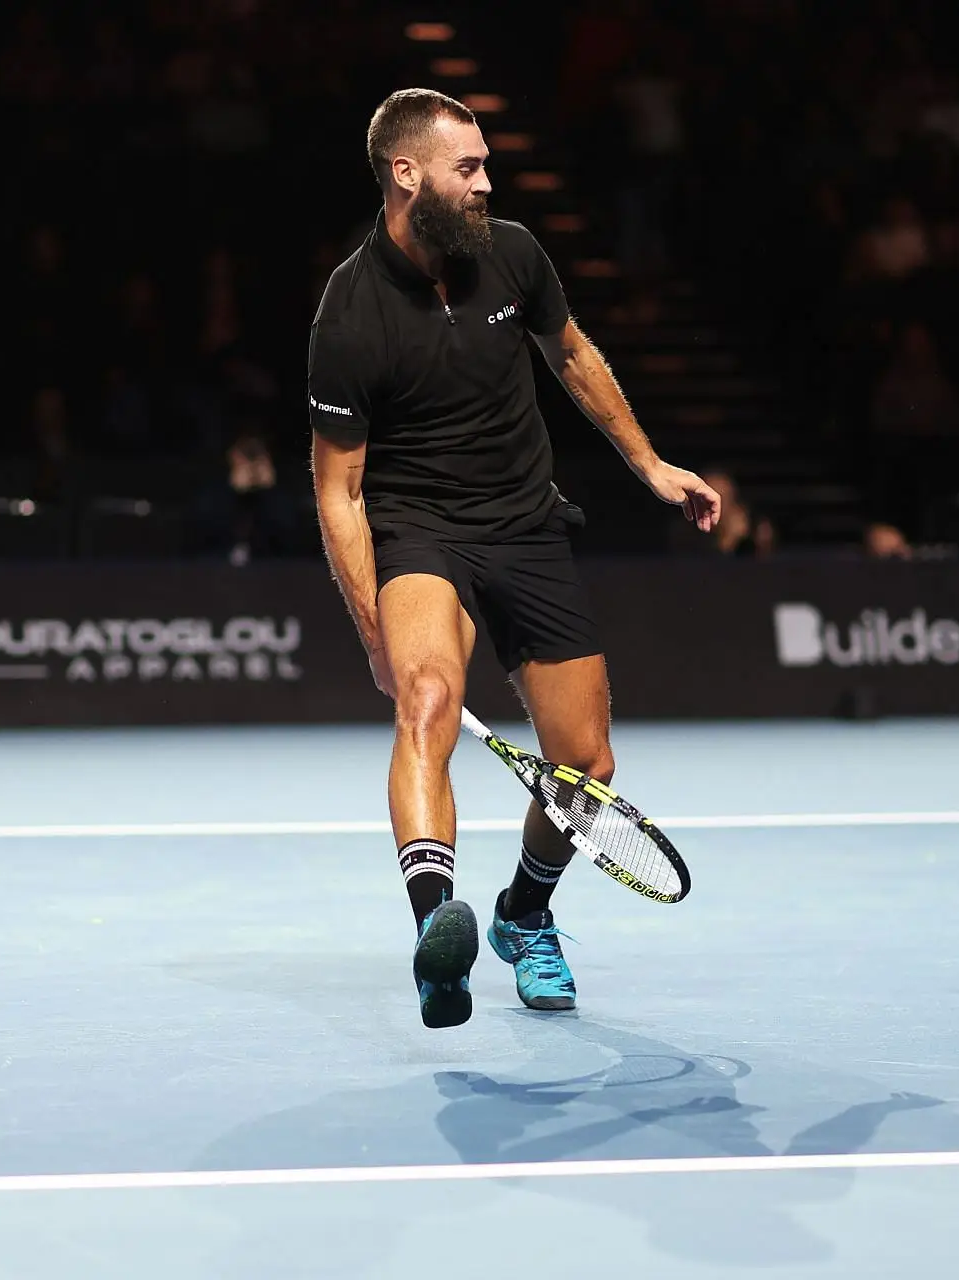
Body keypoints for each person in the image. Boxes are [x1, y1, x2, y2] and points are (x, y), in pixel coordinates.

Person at [306, 89, 719, 1030]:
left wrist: (648, 463)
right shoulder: (351, 313)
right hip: (420, 533)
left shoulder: (514, 253)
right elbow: (339, 491)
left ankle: (524, 914)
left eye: (487, 164)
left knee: (586, 764)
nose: (488, 181)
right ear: (408, 175)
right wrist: (375, 630)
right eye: (470, 168)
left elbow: (570, 353)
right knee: (428, 704)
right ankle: (434, 932)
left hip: (528, 525)